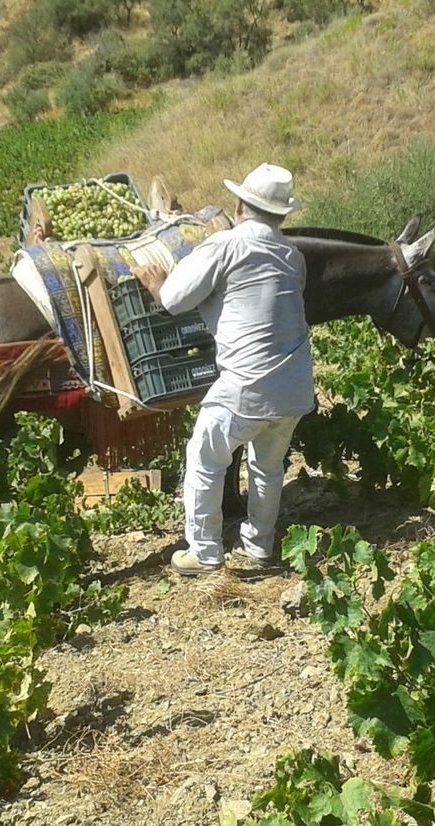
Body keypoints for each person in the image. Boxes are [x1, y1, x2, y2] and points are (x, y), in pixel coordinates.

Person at [132, 163, 313, 577]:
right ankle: (259, 547)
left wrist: (157, 283)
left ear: (240, 205)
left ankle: (205, 553)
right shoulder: (293, 256)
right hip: (295, 385)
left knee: (204, 456)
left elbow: (176, 300)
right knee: (267, 466)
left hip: (248, 384)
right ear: (282, 214)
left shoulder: (227, 245)